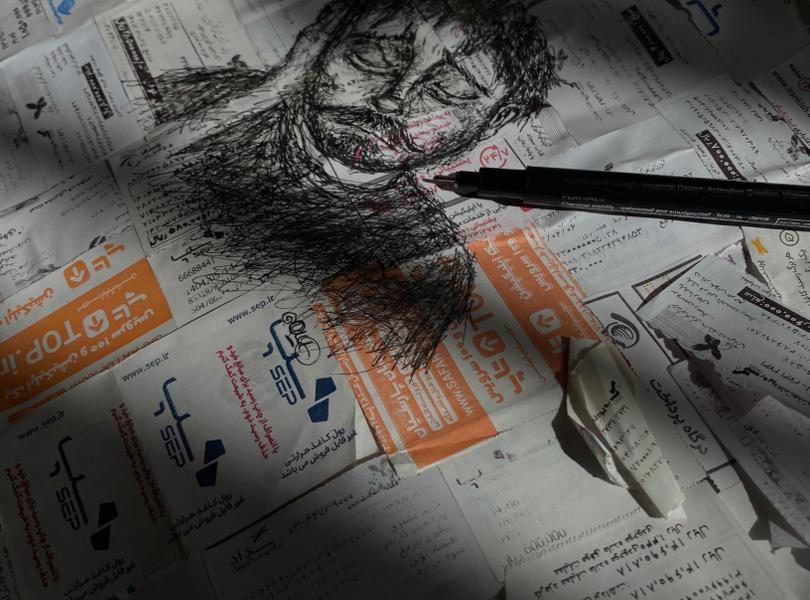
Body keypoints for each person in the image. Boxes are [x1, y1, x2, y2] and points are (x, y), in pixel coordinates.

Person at [154, 0, 560, 369]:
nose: (393, 99)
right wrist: (270, 90)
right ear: (320, 44)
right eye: (372, 58)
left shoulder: (429, 265)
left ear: (493, 120)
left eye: (447, 90)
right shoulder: (208, 96)